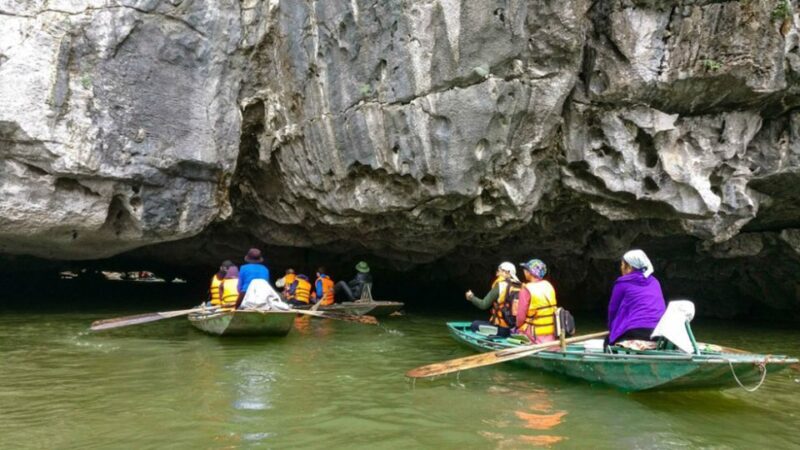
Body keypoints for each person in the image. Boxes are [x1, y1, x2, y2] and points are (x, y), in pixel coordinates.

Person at [607, 249, 666, 346]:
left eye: (622, 265)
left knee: (607, 342)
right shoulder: (655, 281)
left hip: (635, 331)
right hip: (659, 332)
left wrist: (611, 331)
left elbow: (613, 310)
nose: (621, 268)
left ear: (629, 267)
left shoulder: (623, 283)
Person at [464, 262, 521, 337]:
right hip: (516, 329)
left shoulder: (500, 285)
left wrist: (471, 297)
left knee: (474, 324)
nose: (497, 273)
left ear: (506, 272)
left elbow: (483, 305)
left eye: (499, 271)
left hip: (503, 329)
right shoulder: (521, 286)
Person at [515, 259, 558, 344]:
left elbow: (520, 317)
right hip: (552, 332)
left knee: (515, 330)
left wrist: (518, 326)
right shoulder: (548, 285)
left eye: (526, 269)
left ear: (530, 273)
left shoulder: (526, 289)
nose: (524, 271)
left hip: (534, 334)